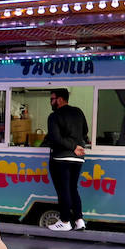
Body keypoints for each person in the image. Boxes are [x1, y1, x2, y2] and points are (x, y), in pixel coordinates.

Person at [43, 88, 90, 231]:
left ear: (61, 99)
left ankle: (64, 221)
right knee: (73, 188)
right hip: (78, 159)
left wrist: (72, 146)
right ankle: (79, 220)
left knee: (63, 190)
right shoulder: (78, 112)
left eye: (52, 99)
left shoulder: (54, 116)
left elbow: (55, 138)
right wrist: (76, 146)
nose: (50, 102)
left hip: (61, 158)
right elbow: (85, 131)